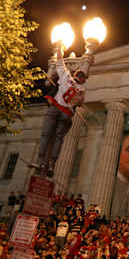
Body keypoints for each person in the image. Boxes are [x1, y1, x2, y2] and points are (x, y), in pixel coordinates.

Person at [33, 42, 87, 177]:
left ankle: (39, 161)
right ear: (83, 79)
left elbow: (59, 62)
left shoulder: (66, 76)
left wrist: (60, 48)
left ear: (75, 74)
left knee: (46, 134)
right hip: (66, 114)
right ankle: (52, 164)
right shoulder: (81, 89)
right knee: (58, 139)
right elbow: (80, 103)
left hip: (55, 108)